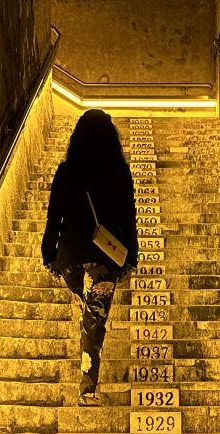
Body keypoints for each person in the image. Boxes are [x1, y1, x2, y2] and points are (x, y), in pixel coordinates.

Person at [41, 109, 138, 406]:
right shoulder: (118, 172)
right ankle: (87, 390)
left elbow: (54, 216)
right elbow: (128, 217)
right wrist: (131, 255)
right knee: (94, 321)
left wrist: (48, 253)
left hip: (70, 258)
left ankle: (87, 384)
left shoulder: (67, 170)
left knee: (89, 316)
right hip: (103, 260)